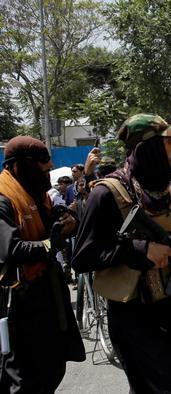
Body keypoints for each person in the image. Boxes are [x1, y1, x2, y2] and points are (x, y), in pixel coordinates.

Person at [72, 114, 171, 393]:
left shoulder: (169, 191)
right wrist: (141, 250)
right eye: (169, 142)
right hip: (132, 318)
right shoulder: (106, 194)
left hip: (167, 310)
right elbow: (83, 256)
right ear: (148, 148)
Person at [0, 136, 85, 392]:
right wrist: (51, 244)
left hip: (47, 293)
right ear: (21, 166)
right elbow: (10, 249)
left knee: (53, 363)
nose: (47, 176)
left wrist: (66, 220)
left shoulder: (34, 192)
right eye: (43, 169)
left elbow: (50, 225)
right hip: (18, 299)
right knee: (24, 377)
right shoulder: (4, 197)